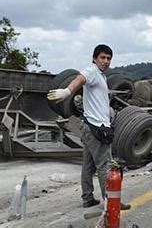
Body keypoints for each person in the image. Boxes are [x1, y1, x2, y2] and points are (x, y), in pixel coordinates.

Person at [47, 44, 131, 210]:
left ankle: (87, 198)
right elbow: (81, 77)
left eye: (108, 58)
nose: (105, 61)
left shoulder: (101, 77)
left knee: (88, 165)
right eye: (102, 57)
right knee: (105, 165)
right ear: (94, 58)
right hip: (96, 129)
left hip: (88, 127)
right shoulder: (92, 71)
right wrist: (67, 91)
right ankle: (110, 201)